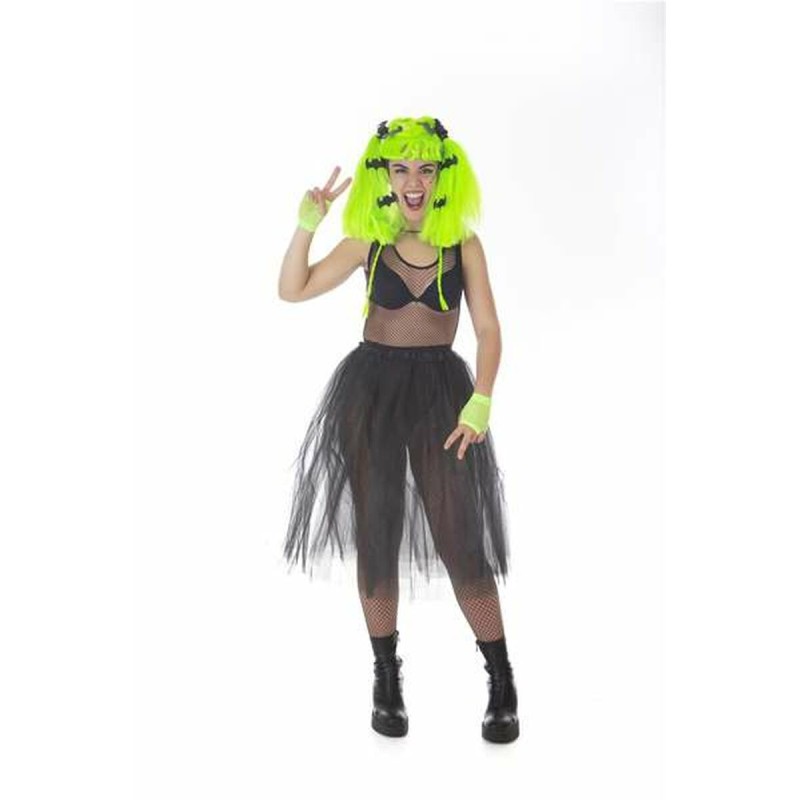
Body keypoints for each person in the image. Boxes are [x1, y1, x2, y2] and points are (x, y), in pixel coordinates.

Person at [278, 116, 519, 743]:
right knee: (377, 534)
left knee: (460, 537)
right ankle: (386, 677)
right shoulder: (368, 241)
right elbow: (292, 289)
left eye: (426, 169)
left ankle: (501, 678)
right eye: (401, 168)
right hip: (372, 394)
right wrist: (307, 223)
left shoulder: (462, 244)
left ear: (443, 176)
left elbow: (488, 328)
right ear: (384, 176)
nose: (414, 180)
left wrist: (481, 398)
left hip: (442, 396)